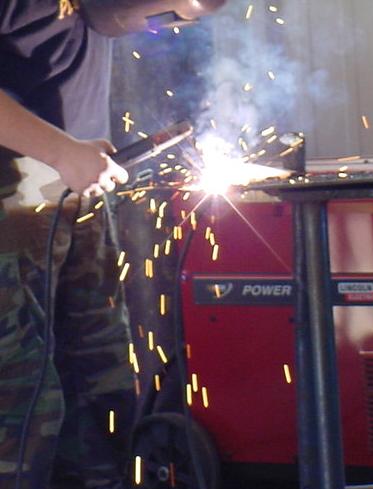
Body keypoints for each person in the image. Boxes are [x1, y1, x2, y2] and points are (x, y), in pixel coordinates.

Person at [0, 1, 136, 488]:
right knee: (18, 397)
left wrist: (75, 153)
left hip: (76, 190)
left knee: (97, 374)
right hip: (9, 205)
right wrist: (60, 150)